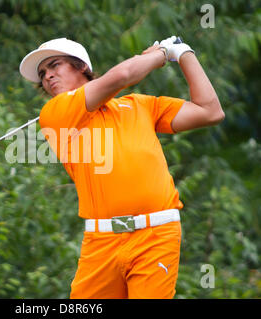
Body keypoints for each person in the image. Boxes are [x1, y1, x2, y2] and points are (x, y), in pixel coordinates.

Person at [19, 37, 224, 299]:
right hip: (101, 242)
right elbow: (123, 75)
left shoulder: (139, 105)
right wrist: (162, 53)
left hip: (156, 235)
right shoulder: (56, 112)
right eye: (42, 74)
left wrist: (184, 53)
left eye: (55, 65)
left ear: (81, 66)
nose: (48, 77)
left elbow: (210, 111)